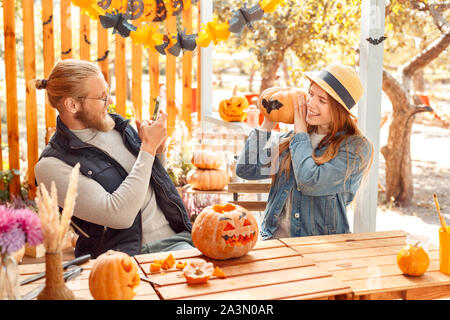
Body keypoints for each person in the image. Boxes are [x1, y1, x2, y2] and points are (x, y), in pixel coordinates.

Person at [32, 59, 193, 258]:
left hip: (178, 237)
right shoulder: (51, 166)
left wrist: (157, 151)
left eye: (107, 92)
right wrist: (148, 149)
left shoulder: (116, 127)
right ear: (72, 104)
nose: (109, 101)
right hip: (130, 258)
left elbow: (147, 184)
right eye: (101, 97)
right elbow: (120, 215)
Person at [236, 63, 374, 239]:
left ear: (340, 110)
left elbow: (309, 181)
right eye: (310, 94)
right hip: (273, 241)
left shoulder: (355, 147)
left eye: (322, 100)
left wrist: (300, 132)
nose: (310, 103)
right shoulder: (292, 138)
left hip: (319, 247)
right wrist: (268, 122)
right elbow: (246, 170)